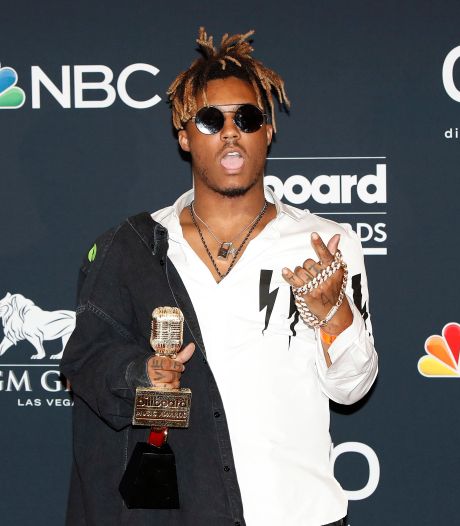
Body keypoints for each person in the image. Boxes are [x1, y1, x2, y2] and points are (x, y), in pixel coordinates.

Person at [61, 28, 378, 526]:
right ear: (185, 135)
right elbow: (86, 361)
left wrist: (333, 315)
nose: (231, 132)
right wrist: (141, 375)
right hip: (183, 512)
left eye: (246, 118)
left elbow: (352, 389)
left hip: (299, 513)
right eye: (211, 119)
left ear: (267, 131)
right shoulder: (136, 246)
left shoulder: (326, 244)